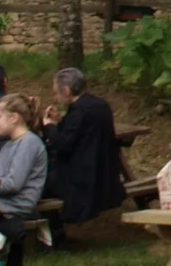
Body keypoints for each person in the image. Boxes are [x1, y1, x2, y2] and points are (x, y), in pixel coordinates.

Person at [43, 68, 124, 227]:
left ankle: (53, 231)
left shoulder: (80, 110)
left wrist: (49, 127)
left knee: (39, 183)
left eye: (55, 93)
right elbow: (79, 135)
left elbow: (64, 145)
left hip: (82, 179)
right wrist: (60, 121)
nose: (55, 98)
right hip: (106, 173)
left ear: (66, 91)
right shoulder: (101, 105)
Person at [0, 95, 48, 250]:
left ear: (14, 118)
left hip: (15, 204)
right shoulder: (9, 146)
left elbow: (12, 184)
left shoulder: (29, 143)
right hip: (1, 199)